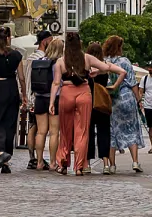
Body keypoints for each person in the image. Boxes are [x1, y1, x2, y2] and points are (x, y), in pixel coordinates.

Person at [51, 32, 120, 175]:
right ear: (80, 44)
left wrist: (52, 102)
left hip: (66, 93)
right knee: (82, 131)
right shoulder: (87, 58)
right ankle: (79, 167)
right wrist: (97, 72)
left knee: (65, 131)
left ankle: (63, 162)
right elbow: (106, 67)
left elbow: (56, 82)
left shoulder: (60, 61)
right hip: (83, 92)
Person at [0, 26, 29, 173]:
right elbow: (21, 78)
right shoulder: (17, 55)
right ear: (9, 38)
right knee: (9, 124)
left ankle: (1, 153)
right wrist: (24, 95)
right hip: (12, 89)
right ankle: (6, 162)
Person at [104, 36, 146, 173]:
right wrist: (139, 100)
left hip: (111, 100)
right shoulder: (125, 61)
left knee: (112, 132)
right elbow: (133, 83)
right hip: (127, 97)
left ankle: (112, 165)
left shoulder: (104, 62)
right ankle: (135, 162)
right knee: (131, 129)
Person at [27, 32, 59, 171]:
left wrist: (29, 98)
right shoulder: (56, 63)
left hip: (38, 98)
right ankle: (52, 162)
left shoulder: (35, 60)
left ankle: (38, 161)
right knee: (53, 132)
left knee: (40, 132)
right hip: (53, 99)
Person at [85, 41, 117, 173]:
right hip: (102, 103)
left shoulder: (86, 67)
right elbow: (122, 72)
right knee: (104, 133)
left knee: (89, 133)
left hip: (88, 102)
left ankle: (87, 164)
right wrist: (113, 87)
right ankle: (105, 164)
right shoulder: (104, 67)